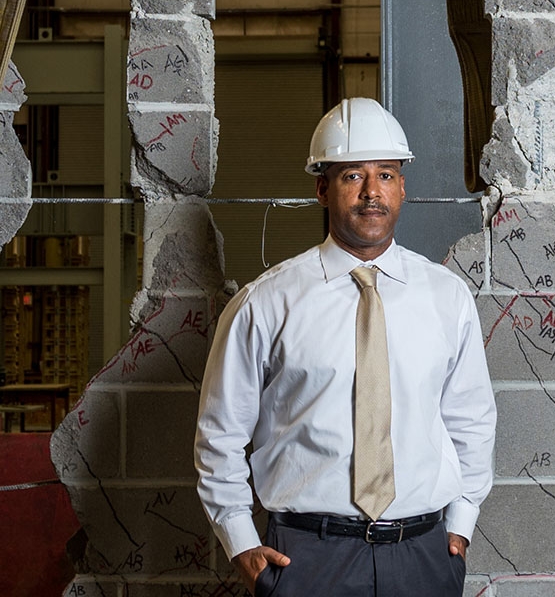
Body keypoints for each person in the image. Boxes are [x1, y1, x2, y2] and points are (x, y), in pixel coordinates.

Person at [194, 97, 497, 597]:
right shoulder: (266, 302)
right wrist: (241, 541)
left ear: (403, 186)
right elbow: (220, 433)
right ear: (322, 188)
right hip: (307, 557)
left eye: (386, 174)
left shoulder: (446, 297)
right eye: (353, 175)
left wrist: (461, 524)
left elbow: (471, 419)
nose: (371, 193)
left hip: (421, 554)